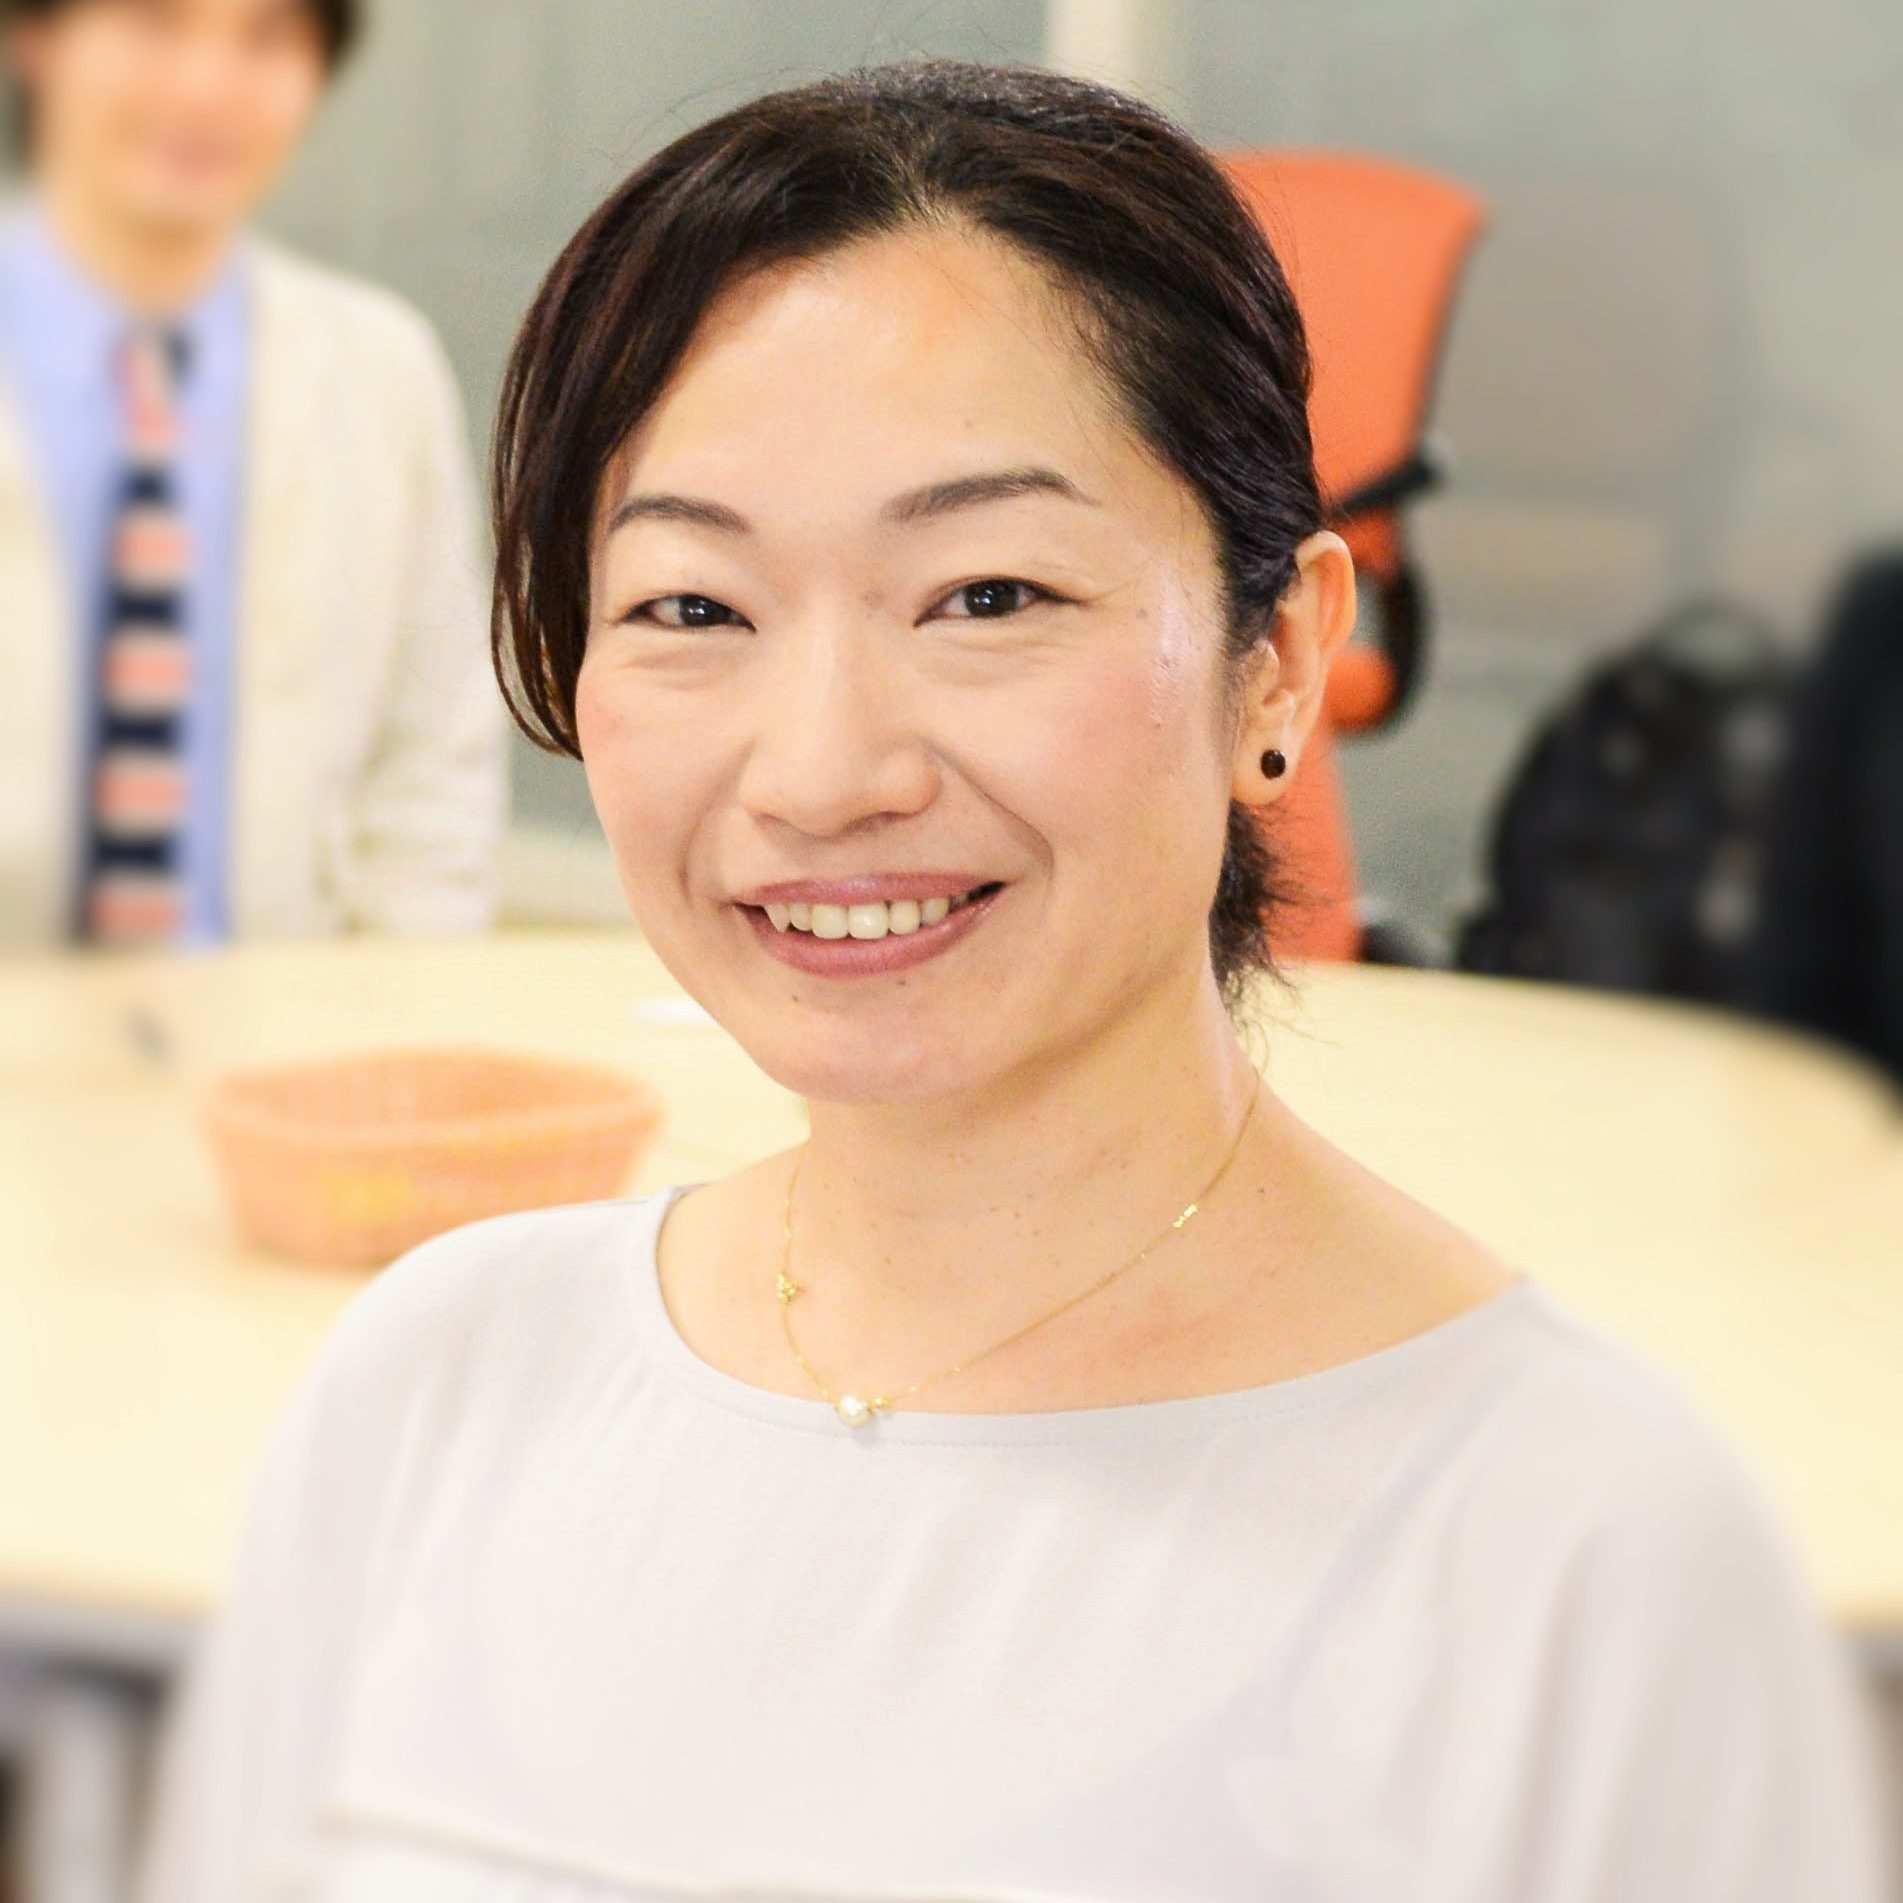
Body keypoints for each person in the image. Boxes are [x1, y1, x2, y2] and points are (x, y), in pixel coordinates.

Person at [135, 60, 1886, 1902]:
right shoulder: (441, 1381)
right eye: (692, 607)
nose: (820, 771)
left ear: (1278, 661)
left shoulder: (1581, 1555)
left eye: (983, 596)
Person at [0, 0, 503, 949]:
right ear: (37, 38)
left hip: (285, 1017)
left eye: (266, 39)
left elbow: (431, 765)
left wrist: (398, 1007)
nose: (207, 89)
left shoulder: (380, 365)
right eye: (156, 24)